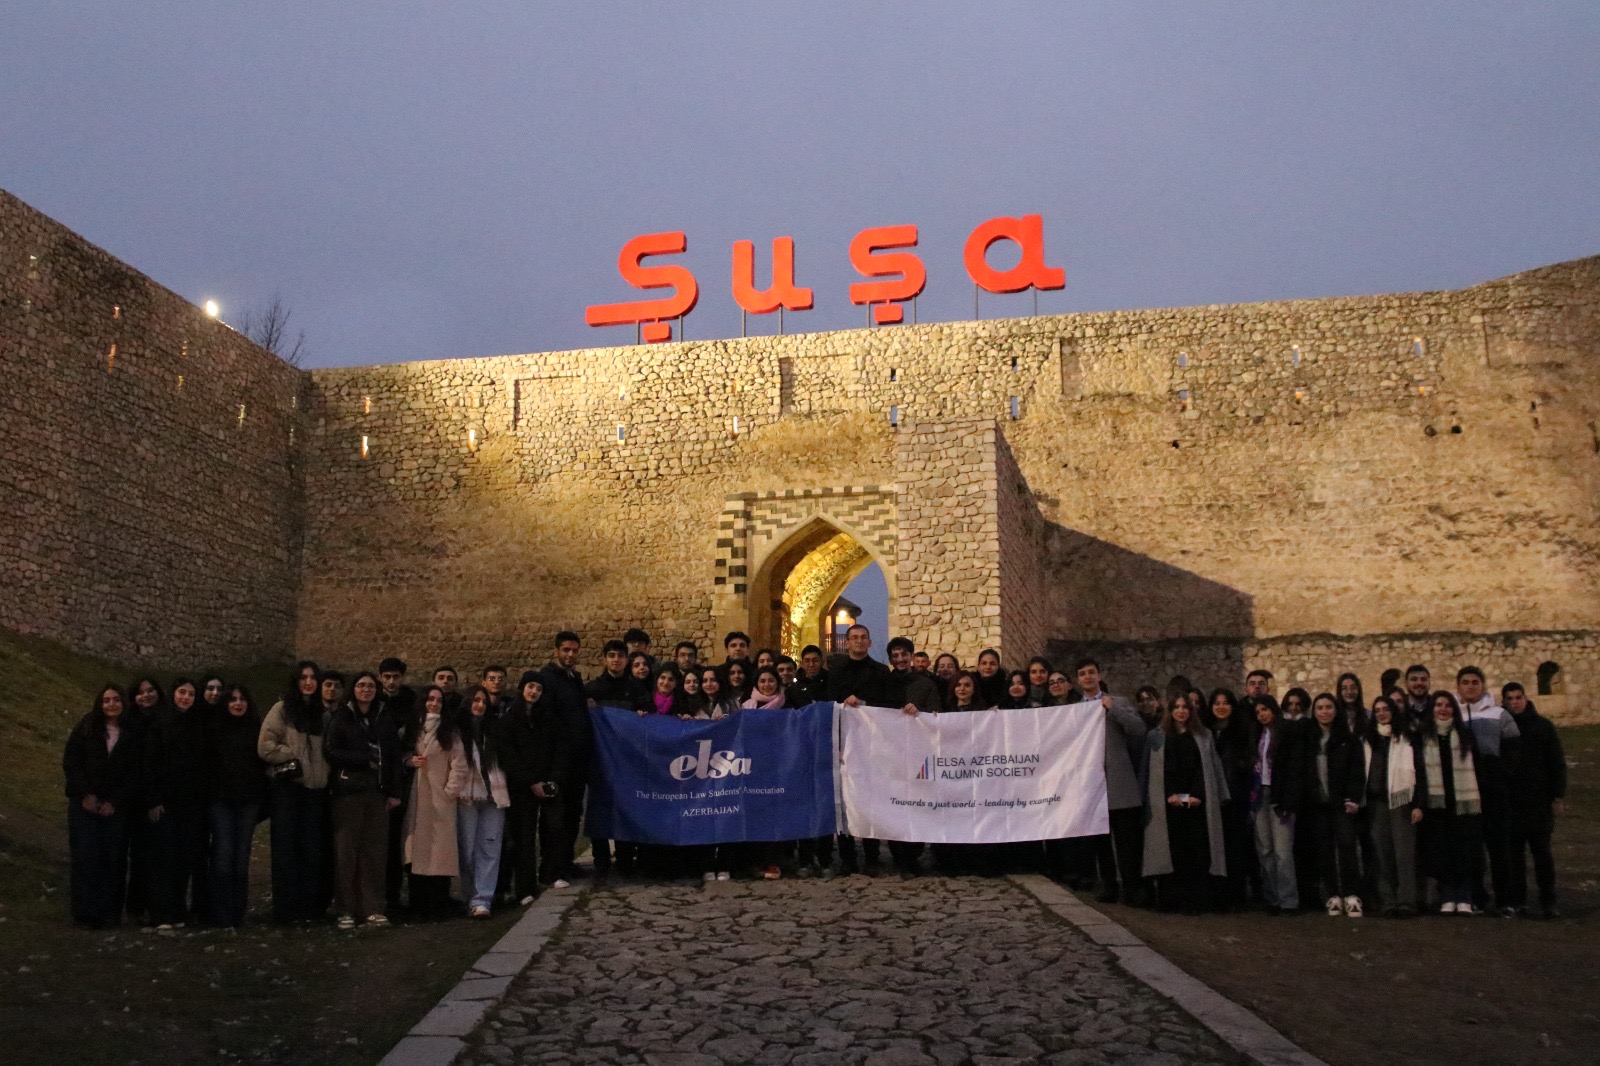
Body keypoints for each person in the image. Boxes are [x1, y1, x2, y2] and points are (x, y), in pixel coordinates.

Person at [324, 671, 401, 929]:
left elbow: (393, 755)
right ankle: (345, 909)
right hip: (349, 791)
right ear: (353, 689)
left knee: (374, 852)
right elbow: (331, 751)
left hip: (377, 791)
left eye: (370, 686)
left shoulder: (383, 717)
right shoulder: (342, 717)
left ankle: (372, 908)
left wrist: (394, 791)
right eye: (361, 685)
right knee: (347, 852)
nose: (366, 689)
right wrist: (363, 759)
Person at [258, 661, 333, 924]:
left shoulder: (322, 714)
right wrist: (295, 756)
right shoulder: (282, 710)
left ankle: (309, 908)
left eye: (313, 678)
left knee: (311, 851)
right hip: (289, 790)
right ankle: (286, 910)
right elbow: (265, 746)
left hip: (315, 792)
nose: (308, 682)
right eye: (303, 678)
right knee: (286, 851)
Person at [64, 685, 143, 929]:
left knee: (113, 858)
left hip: (115, 806)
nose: (111, 704)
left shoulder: (132, 733)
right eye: (106, 700)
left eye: (116, 700)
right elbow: (72, 762)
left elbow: (134, 772)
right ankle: (85, 913)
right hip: (84, 803)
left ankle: (109, 913)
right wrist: (86, 794)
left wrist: (115, 802)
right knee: (86, 856)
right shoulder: (87, 727)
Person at [1141, 695, 1228, 915]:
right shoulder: (1156, 736)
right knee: (1173, 851)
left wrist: (1194, 796)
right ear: (1170, 710)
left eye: (1185, 707)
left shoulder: (1204, 735)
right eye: (1176, 707)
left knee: (1197, 852)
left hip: (1197, 803)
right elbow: (1154, 771)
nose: (1181, 711)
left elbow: (1208, 768)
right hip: (1168, 804)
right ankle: (1172, 900)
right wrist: (1172, 795)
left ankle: (1196, 901)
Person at [1077, 661, 1148, 905]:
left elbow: (1138, 730)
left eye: (1091, 672)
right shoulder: (1073, 710)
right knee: (1101, 841)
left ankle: (1132, 887)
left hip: (1119, 783)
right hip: (1091, 785)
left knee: (1127, 841)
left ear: (1099, 675)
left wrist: (1113, 709)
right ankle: (1108, 884)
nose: (1087, 677)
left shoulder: (1118, 702)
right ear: (1078, 680)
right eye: (1082, 674)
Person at [143, 676, 208, 929]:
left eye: (191, 694)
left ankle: (178, 911)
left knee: (184, 858)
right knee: (164, 858)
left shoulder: (197, 724)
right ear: (173, 694)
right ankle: (160, 913)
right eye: (182, 692)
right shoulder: (160, 723)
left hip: (190, 802)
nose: (186, 698)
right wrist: (153, 800)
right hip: (165, 801)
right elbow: (150, 763)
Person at [827, 624, 893, 875]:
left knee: (870, 800)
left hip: (871, 745)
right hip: (844, 744)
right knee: (845, 801)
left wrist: (863, 704)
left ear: (869, 642)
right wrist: (843, 703)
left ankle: (872, 855)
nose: (858, 641)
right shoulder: (836, 672)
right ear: (847, 642)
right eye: (854, 637)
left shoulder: (881, 671)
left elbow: (888, 704)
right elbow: (828, 701)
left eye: (863, 637)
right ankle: (847, 858)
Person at [1455, 666, 1520, 915]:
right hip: (1465, 789)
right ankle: (1476, 897)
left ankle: (1505, 900)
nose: (1470, 686)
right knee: (1471, 848)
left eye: (1475, 682)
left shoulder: (1499, 714)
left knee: (1500, 848)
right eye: (1466, 682)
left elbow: (1513, 749)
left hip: (1494, 790)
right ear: (1458, 686)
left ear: (1482, 685)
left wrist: (1500, 774)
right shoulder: (1454, 714)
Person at [1415, 691, 1485, 914]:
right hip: (1437, 804)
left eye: (1447, 705)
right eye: (1438, 705)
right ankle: (1447, 895)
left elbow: (1478, 766)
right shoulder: (1423, 736)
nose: (1443, 709)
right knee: (1441, 850)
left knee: (1463, 850)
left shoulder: (1465, 735)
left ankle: (1464, 896)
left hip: (1462, 802)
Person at [501, 671, 567, 903]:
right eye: (531, 687)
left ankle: (551, 873)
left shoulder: (548, 719)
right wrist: (530, 782)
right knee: (523, 836)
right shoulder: (509, 720)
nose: (534, 692)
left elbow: (559, 749)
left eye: (539, 689)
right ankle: (525, 888)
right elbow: (509, 756)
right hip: (522, 786)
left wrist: (553, 779)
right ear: (522, 688)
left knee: (554, 827)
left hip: (548, 781)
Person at [1501, 682, 1566, 918]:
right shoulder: (1501, 727)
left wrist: (1557, 796)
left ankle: (1549, 902)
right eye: (1509, 699)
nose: (1514, 702)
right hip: (1511, 802)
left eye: (1518, 697)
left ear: (1525, 699)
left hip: (1538, 801)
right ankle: (1519, 901)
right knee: (1514, 856)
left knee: (1542, 855)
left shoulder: (1543, 726)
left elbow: (1556, 762)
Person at [206, 684, 267, 927]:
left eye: (242, 699)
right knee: (223, 853)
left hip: (248, 801)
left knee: (241, 856)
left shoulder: (255, 730)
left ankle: (237, 911)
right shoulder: (214, 729)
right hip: (221, 800)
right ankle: (220, 912)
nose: (238, 703)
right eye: (233, 699)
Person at [449, 685, 512, 918]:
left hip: (494, 795)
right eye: (476, 700)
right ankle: (469, 894)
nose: (480, 705)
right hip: (466, 795)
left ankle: (482, 899)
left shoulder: (493, 730)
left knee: (490, 847)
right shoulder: (456, 732)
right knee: (467, 848)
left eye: (484, 702)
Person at [1355, 695, 1420, 918]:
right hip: (1376, 803)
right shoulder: (1367, 740)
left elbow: (1419, 771)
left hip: (1401, 801)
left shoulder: (1406, 738)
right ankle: (1388, 901)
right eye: (1377, 710)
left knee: (1404, 854)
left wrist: (1417, 804)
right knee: (1381, 854)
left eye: (1385, 709)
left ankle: (1406, 901)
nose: (1382, 713)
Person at [402, 686, 461, 920]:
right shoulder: (412, 728)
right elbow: (402, 753)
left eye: (438, 700)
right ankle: (418, 904)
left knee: (440, 853)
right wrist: (408, 760)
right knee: (417, 852)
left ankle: (439, 903)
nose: (434, 703)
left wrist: (449, 792)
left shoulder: (449, 731)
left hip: (440, 798)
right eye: (430, 699)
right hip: (417, 797)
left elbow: (459, 764)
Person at [538, 631, 592, 881]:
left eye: (574, 650)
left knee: (572, 814)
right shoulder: (546, 679)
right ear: (556, 651)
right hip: (556, 760)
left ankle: (565, 863)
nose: (570, 654)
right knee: (554, 817)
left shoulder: (574, 679)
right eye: (566, 650)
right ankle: (550, 869)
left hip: (576, 760)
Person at [1306, 693, 1363, 917]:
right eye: (1319, 708)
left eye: (1328, 707)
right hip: (1318, 803)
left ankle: (1352, 894)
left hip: (1342, 802)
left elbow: (1356, 771)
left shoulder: (1348, 740)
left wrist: (1353, 797)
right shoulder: (1309, 739)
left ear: (1336, 710)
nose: (1324, 712)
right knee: (1324, 849)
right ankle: (1332, 895)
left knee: (1347, 846)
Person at [1246, 696, 1301, 915]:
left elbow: (1294, 768)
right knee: (1265, 849)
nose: (1262, 715)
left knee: (1282, 851)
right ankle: (1272, 898)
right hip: (1260, 794)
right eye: (1258, 712)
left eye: (1265, 710)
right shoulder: (1257, 734)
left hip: (1280, 795)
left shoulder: (1287, 732)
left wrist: (1290, 799)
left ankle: (1288, 900)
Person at [1203, 688, 1254, 912]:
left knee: (1235, 847)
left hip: (1235, 796)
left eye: (1225, 703)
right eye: (1217, 703)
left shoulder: (1241, 731)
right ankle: (1217, 894)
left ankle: (1236, 895)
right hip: (1211, 796)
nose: (1221, 707)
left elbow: (1247, 762)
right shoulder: (1206, 732)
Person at [378, 657, 417, 911]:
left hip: (404, 776)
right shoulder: (374, 700)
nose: (392, 682)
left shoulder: (411, 702)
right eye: (387, 677)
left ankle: (395, 894)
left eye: (396, 677)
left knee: (401, 838)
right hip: (381, 776)